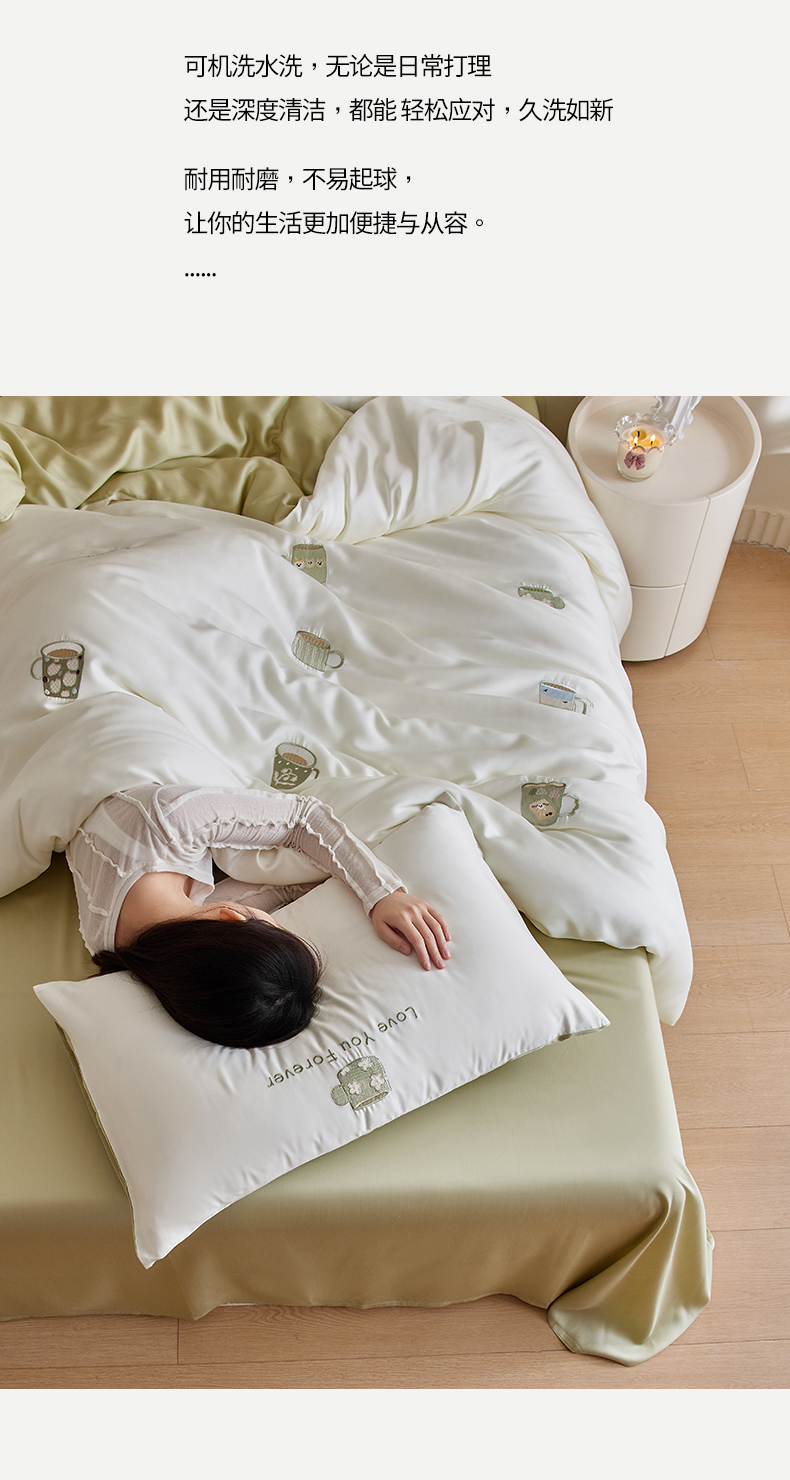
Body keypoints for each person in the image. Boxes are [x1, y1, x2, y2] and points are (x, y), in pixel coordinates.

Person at [66, 784, 451, 1049]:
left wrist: (382, 892)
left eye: (275, 924)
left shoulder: (167, 822)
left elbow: (304, 817)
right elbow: (284, 889)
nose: (274, 916)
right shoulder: (126, 946)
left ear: (233, 920)